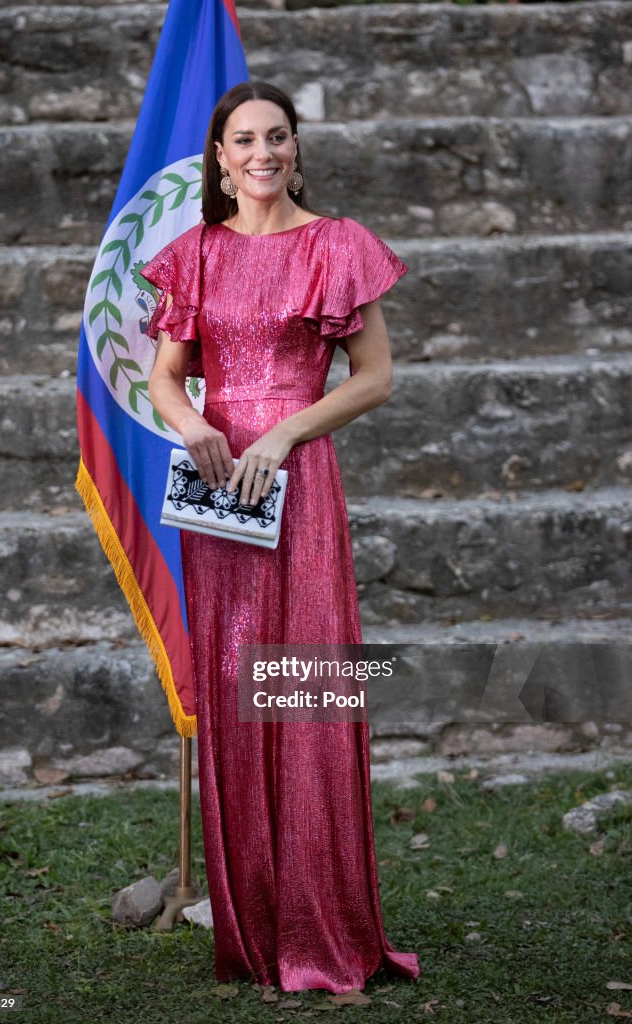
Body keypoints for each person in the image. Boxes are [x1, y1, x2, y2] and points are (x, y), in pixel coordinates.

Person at [140, 81, 421, 995]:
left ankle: (321, 927)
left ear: (296, 148)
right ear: (219, 158)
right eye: (243, 140)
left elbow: (375, 378)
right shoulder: (196, 255)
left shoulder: (337, 245)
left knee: (303, 686)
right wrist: (193, 426)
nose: (262, 153)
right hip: (219, 497)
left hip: (297, 486)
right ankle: (255, 930)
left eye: (277, 137)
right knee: (231, 685)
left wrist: (286, 429)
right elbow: (165, 380)